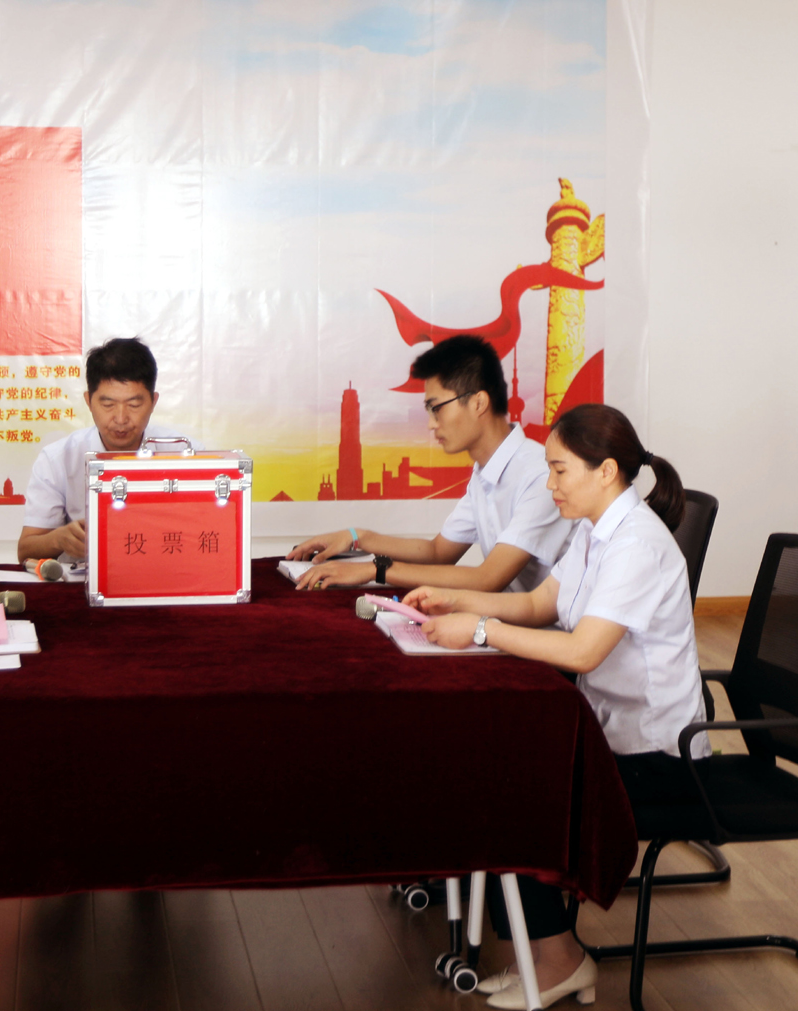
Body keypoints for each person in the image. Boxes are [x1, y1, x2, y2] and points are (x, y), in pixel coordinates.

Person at [401, 403, 711, 1010]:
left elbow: (583, 651)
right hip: (607, 731)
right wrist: (457, 602)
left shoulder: (636, 543)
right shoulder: (596, 530)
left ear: (606, 471)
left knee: (516, 789)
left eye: (560, 470)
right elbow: (540, 603)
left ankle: (560, 960)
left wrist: (481, 631)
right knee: (499, 766)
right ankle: (542, 955)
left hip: (660, 757)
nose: (550, 485)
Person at [287, 335, 571, 593]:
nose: (431, 424)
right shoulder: (486, 472)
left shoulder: (540, 475)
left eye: (437, 409)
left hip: (553, 629)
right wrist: (355, 536)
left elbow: (487, 578)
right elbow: (438, 552)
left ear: (478, 403)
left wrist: (375, 570)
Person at [17, 337, 198, 563]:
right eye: (108, 405)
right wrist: (59, 539)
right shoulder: (57, 459)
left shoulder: (186, 454)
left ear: (153, 402)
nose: (121, 419)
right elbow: (26, 551)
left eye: (134, 405)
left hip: (166, 572)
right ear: (88, 401)